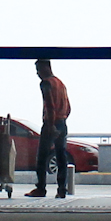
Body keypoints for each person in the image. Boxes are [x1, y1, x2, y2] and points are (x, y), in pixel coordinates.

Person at [28, 56, 73, 199]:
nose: (37, 73)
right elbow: (68, 107)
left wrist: (51, 125)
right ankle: (61, 189)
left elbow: (50, 106)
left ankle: (41, 188)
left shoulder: (46, 84)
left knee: (42, 157)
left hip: (50, 124)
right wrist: (61, 120)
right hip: (62, 123)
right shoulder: (60, 83)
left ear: (46, 67)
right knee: (61, 157)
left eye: (38, 69)